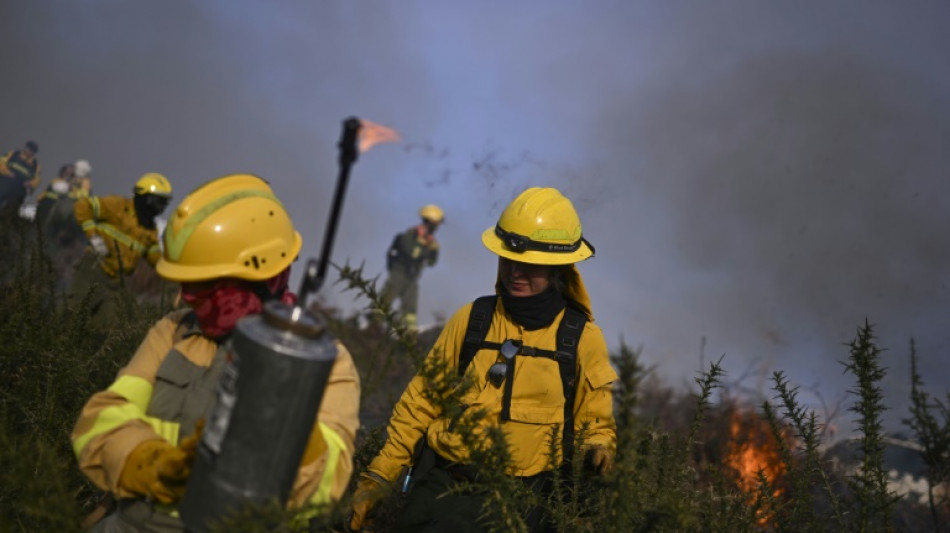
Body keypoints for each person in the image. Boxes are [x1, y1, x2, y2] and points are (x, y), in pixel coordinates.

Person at [71, 173, 361, 531]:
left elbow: (326, 485)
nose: (191, 297)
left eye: (208, 285)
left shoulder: (326, 362)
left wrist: (288, 399)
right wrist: (149, 464)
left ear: (264, 275)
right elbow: (100, 421)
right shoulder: (176, 331)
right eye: (188, 284)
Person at [350, 187, 618, 532]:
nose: (515, 272)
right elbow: (418, 407)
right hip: (445, 494)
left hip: (528, 505)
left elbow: (595, 423)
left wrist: (597, 451)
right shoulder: (472, 320)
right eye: (509, 259)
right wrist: (377, 479)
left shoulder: (581, 338)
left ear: (558, 269)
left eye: (530, 265)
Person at [67, 172, 172, 323]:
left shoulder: (150, 229)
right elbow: (83, 206)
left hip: (115, 282)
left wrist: (174, 268)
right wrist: (93, 237)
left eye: (164, 203)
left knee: (112, 326)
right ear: (145, 197)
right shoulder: (117, 206)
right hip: (94, 269)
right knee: (73, 314)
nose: (161, 208)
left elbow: (155, 258)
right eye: (159, 202)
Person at [379, 204, 443, 329]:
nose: (437, 228)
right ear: (429, 222)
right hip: (399, 274)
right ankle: (372, 327)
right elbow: (411, 253)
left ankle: (408, 336)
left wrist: (434, 251)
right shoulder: (410, 235)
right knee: (384, 301)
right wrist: (424, 246)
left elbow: (431, 263)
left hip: (413, 278)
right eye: (435, 224)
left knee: (410, 310)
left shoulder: (431, 242)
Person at [0, 140, 42, 219]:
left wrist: (30, 183)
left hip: (20, 189)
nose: (30, 151)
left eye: (33, 150)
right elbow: (1, 163)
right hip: (5, 183)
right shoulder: (13, 154)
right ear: (25, 148)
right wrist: (8, 173)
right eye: (29, 149)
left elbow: (37, 179)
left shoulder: (35, 164)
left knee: (11, 210)